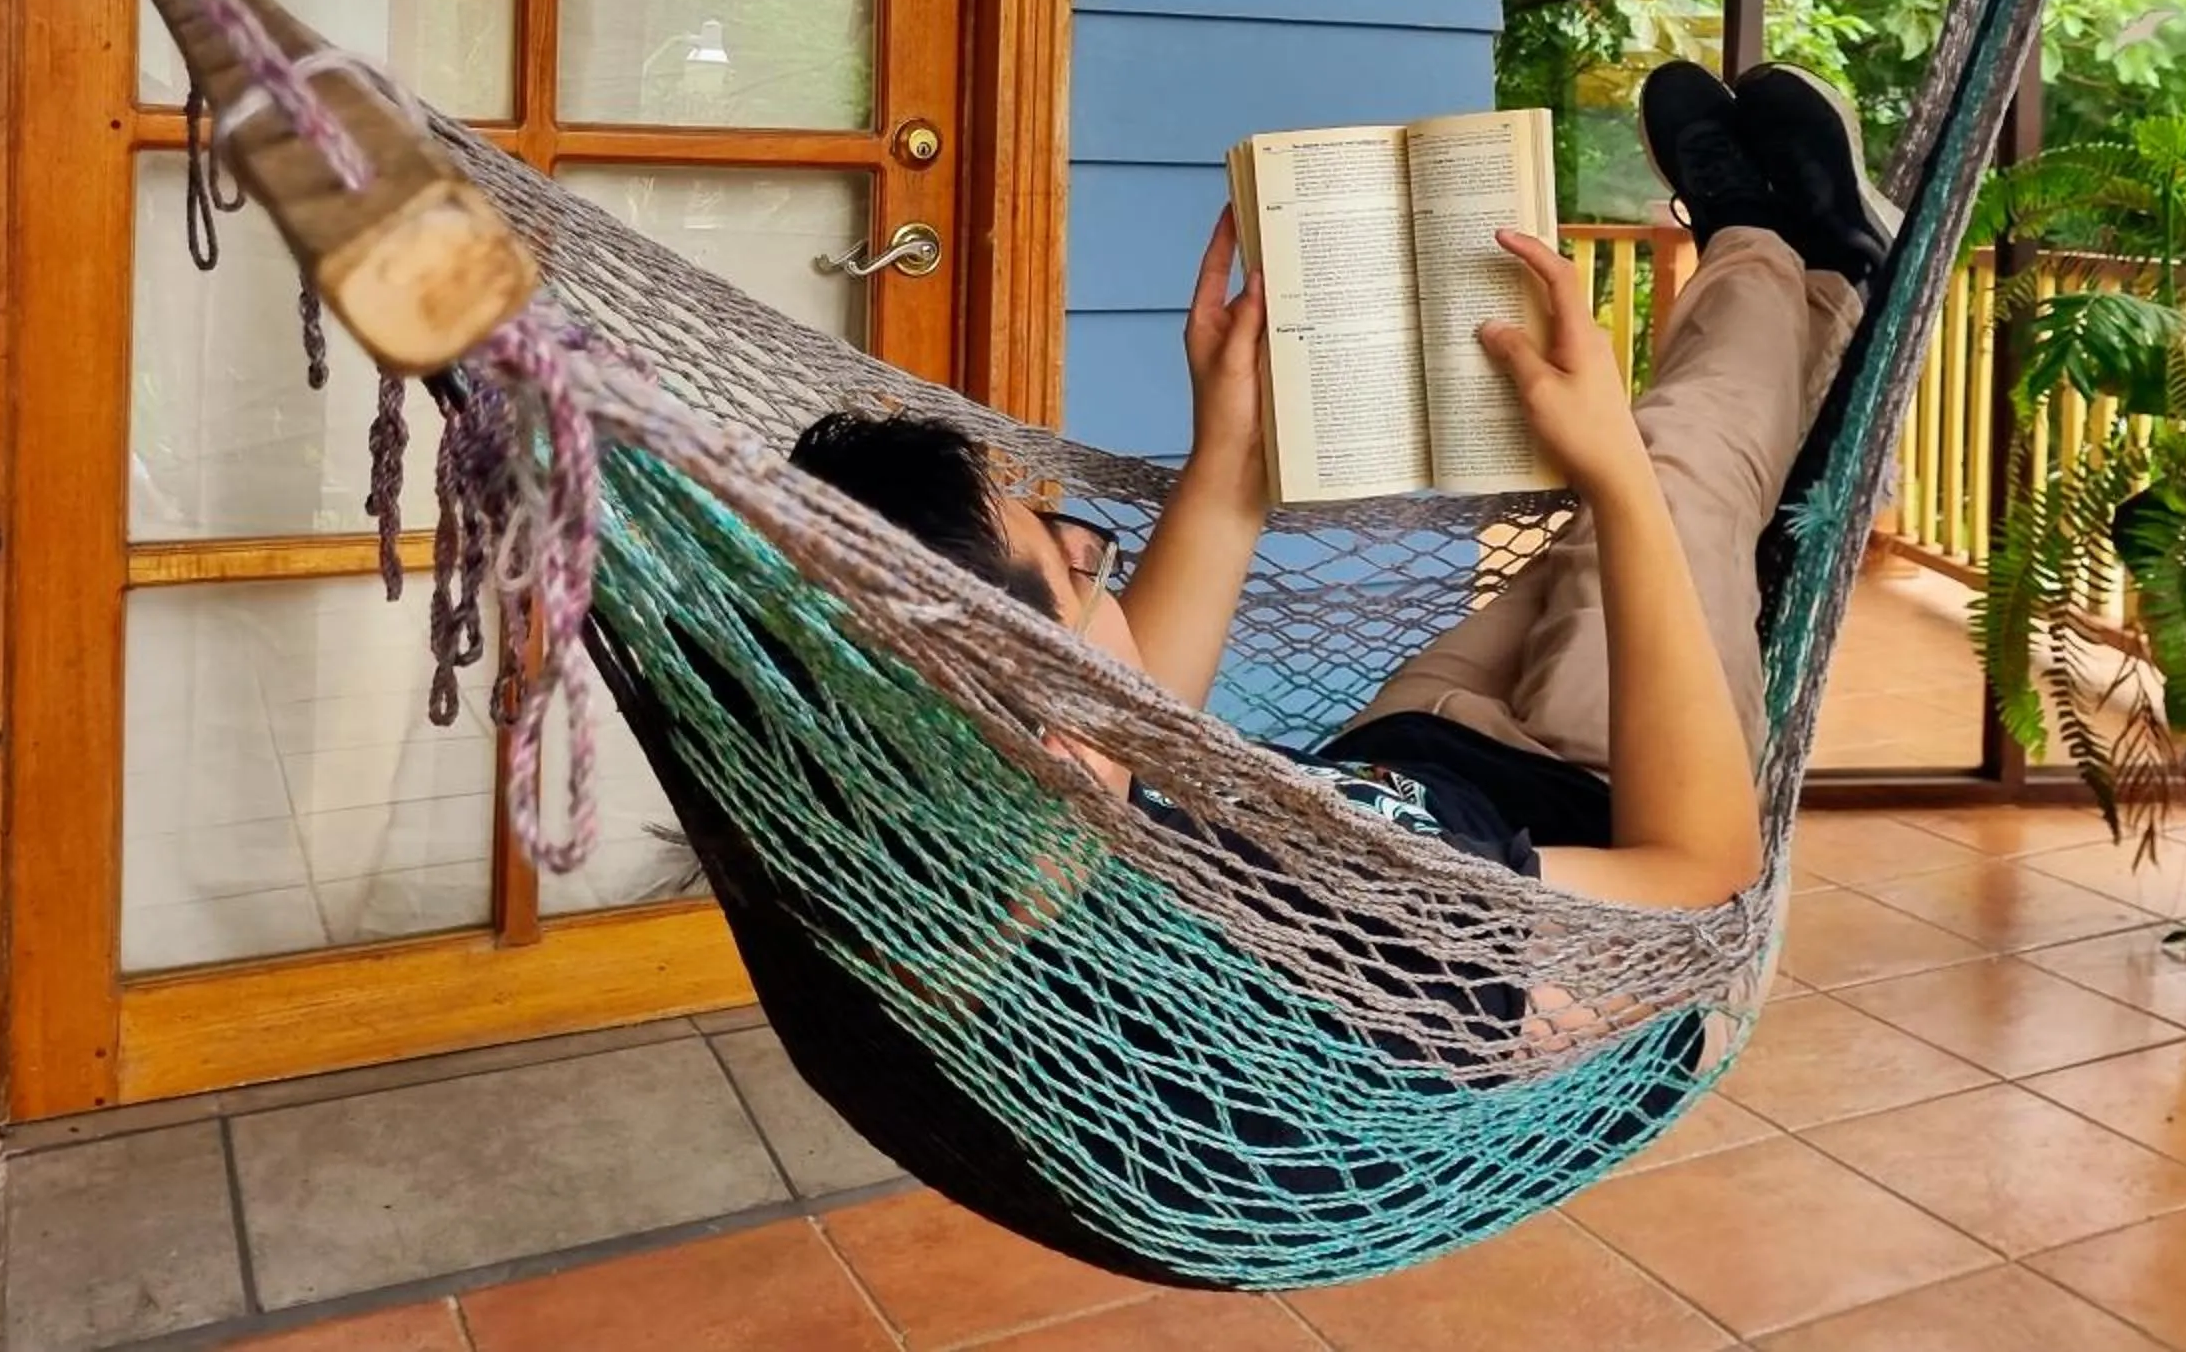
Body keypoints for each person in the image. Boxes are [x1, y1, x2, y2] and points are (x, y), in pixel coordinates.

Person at [788, 60, 1891, 915]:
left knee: (1597, 531)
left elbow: (1116, 714)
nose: (1090, 553)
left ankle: (1808, 281)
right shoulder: (1365, 931)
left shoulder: (1021, 836)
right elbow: (1700, 873)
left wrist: (1230, 452)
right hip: (1611, 795)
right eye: (1069, 564)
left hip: (1408, 747)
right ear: (1041, 721)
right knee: (1666, 471)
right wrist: (1607, 472)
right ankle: (1782, 250)